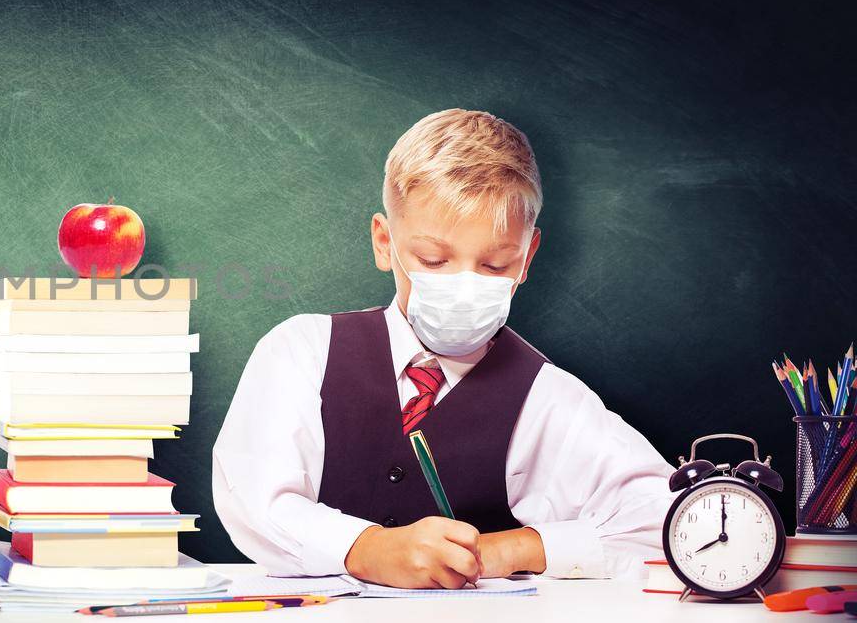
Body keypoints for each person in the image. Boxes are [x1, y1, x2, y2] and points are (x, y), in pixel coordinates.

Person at [211, 110, 673, 588]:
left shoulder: (547, 397)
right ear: (385, 242)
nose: (465, 286)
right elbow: (254, 498)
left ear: (527, 257)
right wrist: (365, 548)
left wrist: (511, 548)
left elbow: (667, 523)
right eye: (433, 260)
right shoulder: (303, 352)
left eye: (495, 265)